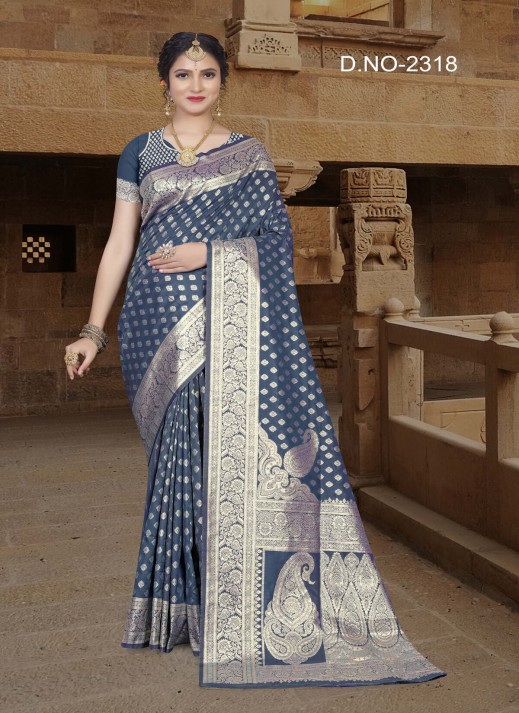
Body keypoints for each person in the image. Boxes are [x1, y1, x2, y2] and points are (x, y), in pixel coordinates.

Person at [64, 31, 445, 689]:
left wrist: (208, 254)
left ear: (222, 82)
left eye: (208, 73)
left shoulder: (249, 155)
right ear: (164, 82)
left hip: (228, 320)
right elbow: (121, 242)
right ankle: (181, 611)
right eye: (183, 73)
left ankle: (235, 611)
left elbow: (274, 242)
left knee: (228, 454)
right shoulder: (139, 152)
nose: (195, 84)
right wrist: (93, 331)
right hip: (155, 326)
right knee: (177, 459)